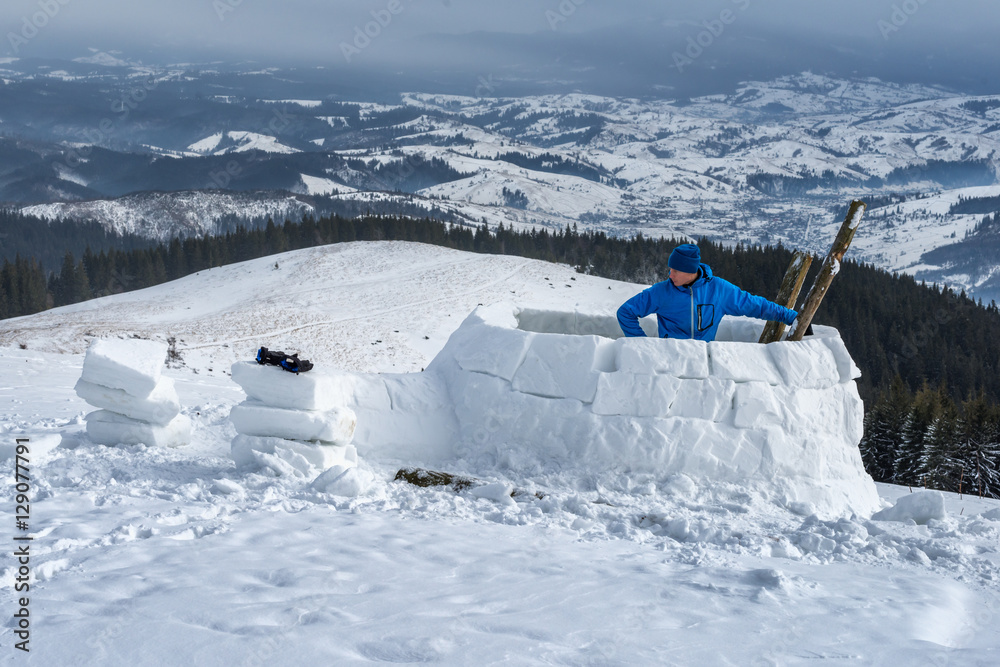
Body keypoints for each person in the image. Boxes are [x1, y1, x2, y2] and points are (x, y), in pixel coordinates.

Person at [617, 243, 798, 341]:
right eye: (670, 269)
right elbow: (626, 312)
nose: (670, 274)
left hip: (703, 362)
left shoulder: (718, 290)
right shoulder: (661, 292)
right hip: (669, 360)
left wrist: (792, 317)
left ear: (690, 271)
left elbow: (755, 305)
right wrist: (641, 344)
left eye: (675, 271)